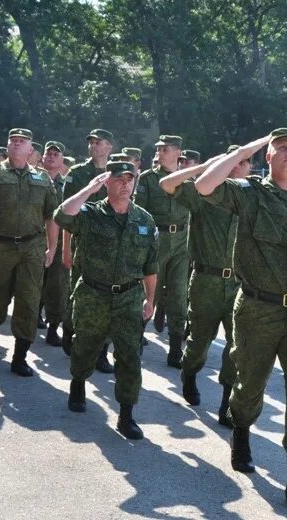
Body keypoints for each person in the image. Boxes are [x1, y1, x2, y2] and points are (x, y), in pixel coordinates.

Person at [195, 128, 287, 517]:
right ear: (269, 158)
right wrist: (247, 148)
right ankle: (241, 432)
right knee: (250, 383)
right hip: (257, 308)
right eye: (281, 148)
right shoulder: (249, 192)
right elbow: (205, 186)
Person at [54, 161, 158, 440]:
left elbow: (150, 266)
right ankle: (78, 382)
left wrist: (151, 299)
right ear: (107, 183)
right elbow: (62, 216)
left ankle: (126, 415)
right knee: (85, 346)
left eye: (130, 178)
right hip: (93, 294)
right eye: (118, 179)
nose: (125, 184)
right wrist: (89, 189)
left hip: (129, 297)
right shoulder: (89, 213)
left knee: (129, 357)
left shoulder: (145, 220)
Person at [161, 146, 251, 425]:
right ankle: (189, 374)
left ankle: (226, 404)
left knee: (237, 348)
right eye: (231, 161)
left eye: (243, 162)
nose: (237, 167)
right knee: (199, 343)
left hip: (240, 284)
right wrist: (203, 168)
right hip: (206, 281)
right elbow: (167, 183)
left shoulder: (253, 198)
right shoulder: (203, 194)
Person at [0, 128, 59, 376]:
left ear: (31, 150)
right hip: (1, 245)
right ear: (7, 146)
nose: (17, 144)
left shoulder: (42, 177)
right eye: (13, 140)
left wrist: (52, 247)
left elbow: (51, 215)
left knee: (29, 301)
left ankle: (20, 356)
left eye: (23, 141)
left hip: (32, 246)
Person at [61, 128, 114, 372]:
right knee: (78, 294)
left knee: (107, 301)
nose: (93, 145)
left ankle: (101, 352)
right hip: (82, 242)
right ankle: (72, 332)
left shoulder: (119, 173)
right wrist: (65, 250)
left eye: (98, 142)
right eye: (90, 142)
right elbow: (65, 213)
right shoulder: (78, 173)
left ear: (109, 146)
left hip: (112, 247)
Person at [135, 134, 191, 368]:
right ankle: (136, 339)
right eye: (158, 147)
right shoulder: (148, 179)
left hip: (181, 243)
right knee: (150, 294)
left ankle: (176, 348)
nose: (159, 151)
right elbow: (139, 212)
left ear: (178, 152)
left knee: (179, 296)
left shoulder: (187, 180)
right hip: (156, 240)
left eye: (165, 148)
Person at [41, 140, 69, 346]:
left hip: (59, 240)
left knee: (57, 285)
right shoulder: (34, 178)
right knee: (33, 283)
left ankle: (52, 326)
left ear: (62, 161)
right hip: (33, 239)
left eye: (55, 154)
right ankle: (32, 318)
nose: (51, 156)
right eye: (48, 153)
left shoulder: (67, 185)